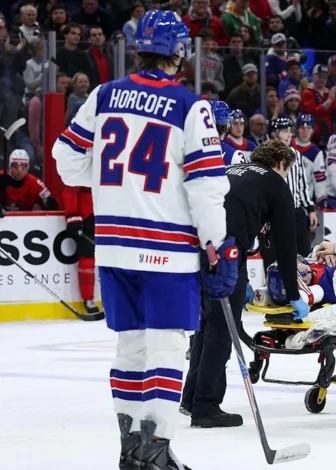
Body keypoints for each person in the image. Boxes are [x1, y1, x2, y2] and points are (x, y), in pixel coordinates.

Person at [52, 10, 238, 470]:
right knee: (168, 350)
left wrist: (114, 183)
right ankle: (156, 452)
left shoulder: (104, 95)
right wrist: (217, 244)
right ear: (179, 52)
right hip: (167, 253)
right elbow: (206, 187)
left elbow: (65, 161)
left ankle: (133, 451)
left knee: (131, 349)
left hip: (115, 249)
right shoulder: (190, 107)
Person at [181, 140, 307, 429]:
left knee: (206, 326)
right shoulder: (275, 183)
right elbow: (286, 245)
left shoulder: (230, 169)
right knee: (222, 330)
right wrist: (292, 293)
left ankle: (191, 398)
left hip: (194, 247)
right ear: (281, 164)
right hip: (223, 253)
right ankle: (206, 407)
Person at [268, 117, 317, 256]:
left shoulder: (296, 155)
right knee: (275, 255)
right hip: (274, 213)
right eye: (285, 131)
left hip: (296, 212)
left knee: (304, 253)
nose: (289, 135)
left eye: (290, 131)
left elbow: (302, 185)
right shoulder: (266, 155)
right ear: (274, 133)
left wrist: (310, 209)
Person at [62, 185, 101, 316]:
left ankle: (116, 299)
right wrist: (72, 214)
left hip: (108, 212)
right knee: (88, 259)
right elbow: (71, 187)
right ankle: (88, 298)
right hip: (88, 215)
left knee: (116, 259)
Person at [292, 114, 327, 209]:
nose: (305, 132)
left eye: (309, 128)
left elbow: (319, 180)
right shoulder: (287, 145)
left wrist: (321, 197)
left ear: (313, 130)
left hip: (304, 202)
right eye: (302, 128)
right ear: (297, 129)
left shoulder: (316, 153)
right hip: (285, 199)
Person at [210, 100, 248, 165]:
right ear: (228, 124)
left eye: (241, 124)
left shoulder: (193, 151)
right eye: (235, 123)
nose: (239, 127)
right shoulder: (235, 156)